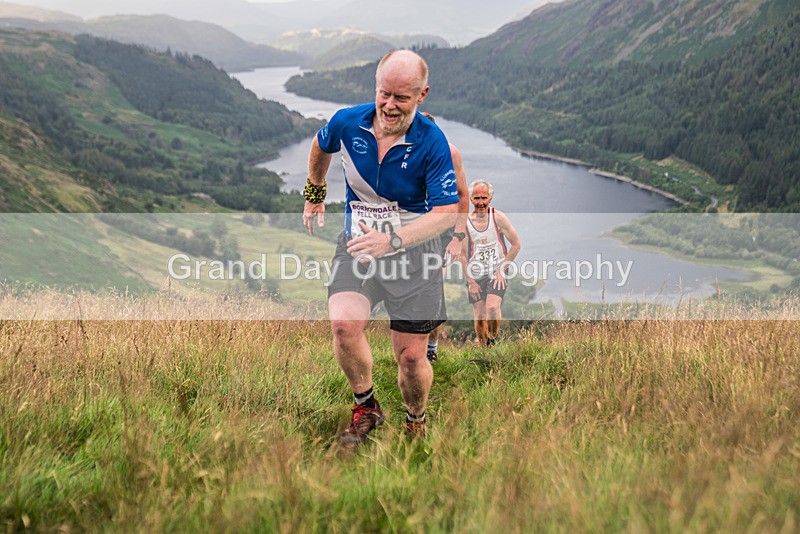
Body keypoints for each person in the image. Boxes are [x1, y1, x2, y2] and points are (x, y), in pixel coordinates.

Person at [302, 50, 459, 446]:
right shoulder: (348, 121)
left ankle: (415, 418)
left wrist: (393, 240)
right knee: (343, 326)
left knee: (410, 359)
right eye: (383, 94)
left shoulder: (433, 142)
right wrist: (315, 191)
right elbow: (321, 146)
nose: (389, 105)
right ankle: (366, 406)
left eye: (401, 98)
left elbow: (446, 212)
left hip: (413, 256)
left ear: (422, 95)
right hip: (358, 245)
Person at [419, 112, 469, 363]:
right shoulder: (403, 151)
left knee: (432, 287)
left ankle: (432, 348)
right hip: (412, 231)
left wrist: (458, 236)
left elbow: (462, 195)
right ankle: (413, 348)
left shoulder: (450, 153)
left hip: (440, 232)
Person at [461, 180, 521, 347]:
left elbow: (516, 244)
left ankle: (492, 341)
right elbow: (461, 254)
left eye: (484, 198)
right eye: (477, 198)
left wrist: (502, 270)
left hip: (496, 270)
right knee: (480, 317)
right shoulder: (464, 223)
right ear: (471, 199)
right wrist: (471, 282)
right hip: (475, 272)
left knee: (493, 308)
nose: (481, 202)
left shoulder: (498, 218)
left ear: (491, 198)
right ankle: (483, 348)